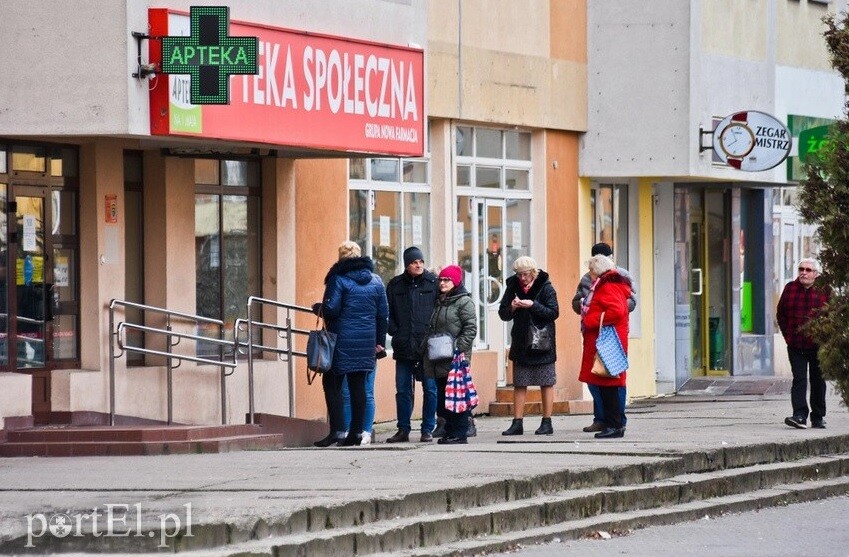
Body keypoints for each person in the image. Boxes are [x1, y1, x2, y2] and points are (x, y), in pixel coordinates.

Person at [312, 241, 388, 447]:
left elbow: (332, 309)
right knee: (358, 386)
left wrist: (319, 307)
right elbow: (383, 315)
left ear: (341, 257)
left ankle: (337, 430)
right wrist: (379, 342)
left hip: (340, 341)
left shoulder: (338, 279)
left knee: (332, 384)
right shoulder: (376, 281)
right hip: (366, 342)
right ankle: (355, 433)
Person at [572, 242, 635, 433]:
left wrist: (591, 319)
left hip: (607, 339)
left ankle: (615, 424)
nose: (589, 274)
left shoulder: (609, 285)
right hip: (604, 338)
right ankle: (608, 422)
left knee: (610, 383)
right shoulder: (604, 282)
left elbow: (617, 310)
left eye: (591, 270)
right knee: (603, 382)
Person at [498, 256, 560, 436]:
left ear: (533, 273)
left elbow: (553, 312)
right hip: (521, 341)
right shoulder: (513, 286)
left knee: (546, 382)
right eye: (519, 275)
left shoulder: (546, 287)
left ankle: (547, 422)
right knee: (520, 383)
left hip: (542, 341)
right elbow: (504, 314)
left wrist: (533, 305)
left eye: (525, 275)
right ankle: (517, 423)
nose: (522, 278)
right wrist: (513, 307)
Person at [385, 246, 439, 443]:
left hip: (427, 346)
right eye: (415, 262)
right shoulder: (395, 285)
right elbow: (386, 311)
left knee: (430, 389)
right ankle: (403, 429)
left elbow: (440, 308)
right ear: (407, 264)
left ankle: (427, 429)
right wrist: (394, 331)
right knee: (403, 390)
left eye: (421, 262)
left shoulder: (433, 283)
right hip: (403, 344)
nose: (419, 265)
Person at [422, 264, 477, 445]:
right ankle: (450, 431)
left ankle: (459, 433)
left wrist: (457, 348)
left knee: (456, 396)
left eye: (447, 280)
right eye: (441, 279)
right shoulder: (440, 301)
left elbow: (470, 328)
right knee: (445, 397)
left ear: (455, 282)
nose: (443, 283)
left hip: (455, 358)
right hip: (439, 357)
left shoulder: (464, 302)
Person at [777, 257, 830, 429]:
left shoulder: (825, 290)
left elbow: (833, 316)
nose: (804, 273)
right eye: (801, 269)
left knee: (818, 381)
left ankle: (818, 417)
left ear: (816, 274)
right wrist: (788, 337)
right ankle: (799, 415)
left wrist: (826, 339)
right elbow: (781, 315)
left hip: (818, 345)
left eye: (808, 270)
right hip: (796, 345)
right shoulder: (790, 289)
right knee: (799, 379)